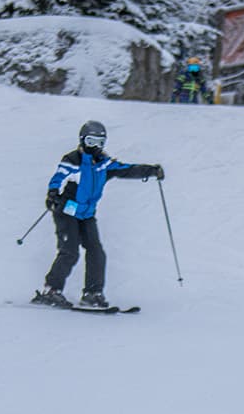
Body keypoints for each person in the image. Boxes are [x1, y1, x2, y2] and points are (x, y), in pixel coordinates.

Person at [31, 120, 163, 309]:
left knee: (96, 252)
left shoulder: (104, 163)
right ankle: (51, 290)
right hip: (67, 211)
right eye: (92, 141)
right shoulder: (73, 160)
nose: (96, 147)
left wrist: (151, 170)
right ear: (83, 140)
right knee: (70, 252)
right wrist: (52, 195)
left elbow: (126, 169)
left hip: (87, 214)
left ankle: (93, 293)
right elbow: (57, 178)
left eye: (100, 142)